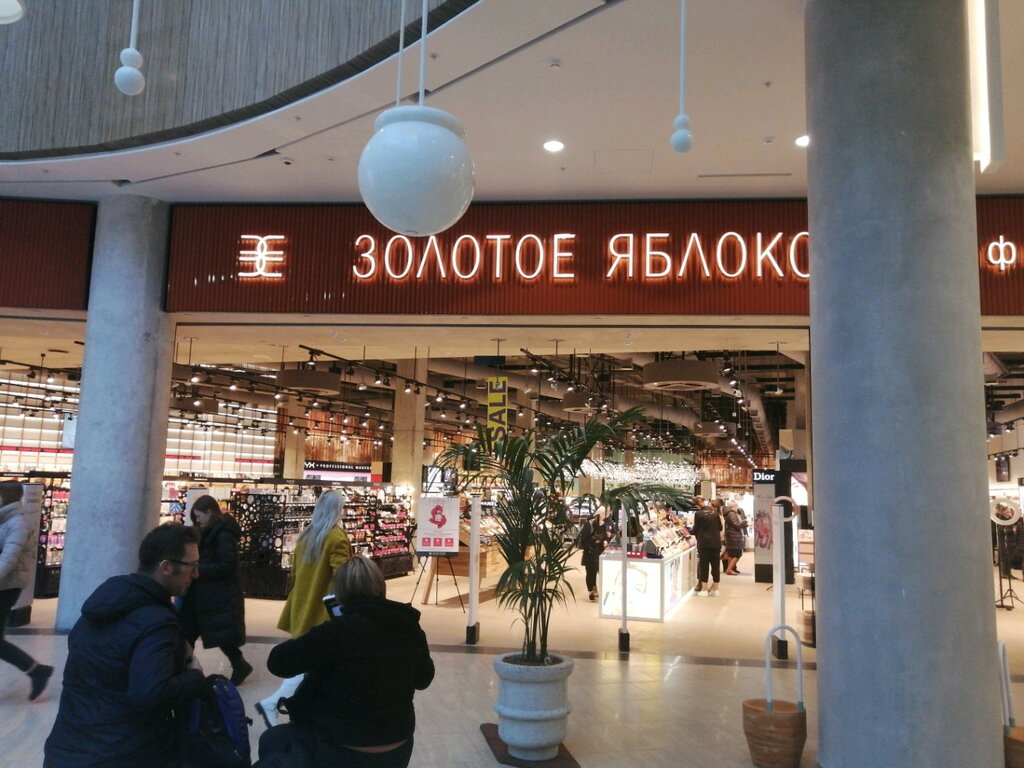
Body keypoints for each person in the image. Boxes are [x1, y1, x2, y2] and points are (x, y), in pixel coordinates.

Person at [43, 523, 207, 768]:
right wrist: (195, 676)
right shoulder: (157, 622)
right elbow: (151, 695)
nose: (196, 574)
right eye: (192, 566)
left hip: (65, 749)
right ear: (165, 567)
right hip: (120, 754)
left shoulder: (101, 605)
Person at [258, 555, 434, 768]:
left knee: (272, 740)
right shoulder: (409, 627)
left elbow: (278, 662)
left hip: (341, 747)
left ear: (340, 592)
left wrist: (316, 634)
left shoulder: (335, 632)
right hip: (398, 744)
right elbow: (424, 680)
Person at [256, 489, 352, 728]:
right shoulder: (336, 538)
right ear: (337, 510)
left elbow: (295, 573)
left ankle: (291, 707)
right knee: (312, 665)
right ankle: (273, 703)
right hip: (324, 613)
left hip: (302, 607)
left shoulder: (306, 536)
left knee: (307, 661)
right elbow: (344, 576)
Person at [179, 495, 252, 685]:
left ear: (210, 512)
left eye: (199, 516)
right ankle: (183, 667)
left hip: (216, 593)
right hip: (204, 592)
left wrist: (198, 569)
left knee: (214, 632)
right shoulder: (210, 531)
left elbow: (226, 565)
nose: (198, 521)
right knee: (192, 631)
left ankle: (239, 664)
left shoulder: (223, 534)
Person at [0, 481, 53, 700]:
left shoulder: (18, 523)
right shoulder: (5, 520)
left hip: (6, 587)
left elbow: (8, 559)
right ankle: (37, 671)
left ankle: (37, 671)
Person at [691, 495, 722, 597]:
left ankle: (704, 589)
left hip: (704, 543)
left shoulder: (698, 514)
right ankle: (715, 589)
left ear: (696, 505)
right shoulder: (714, 512)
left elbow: (695, 529)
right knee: (715, 565)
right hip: (716, 543)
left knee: (704, 566)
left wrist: (690, 531)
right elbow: (720, 527)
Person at [578, 507, 608, 601]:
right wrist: (589, 550)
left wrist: (605, 541)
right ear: (598, 515)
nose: (604, 516)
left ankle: (598, 589)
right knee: (591, 572)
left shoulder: (604, 524)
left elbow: (605, 536)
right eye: (602, 514)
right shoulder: (589, 524)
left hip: (599, 551)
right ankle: (591, 590)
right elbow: (584, 539)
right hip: (590, 552)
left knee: (600, 570)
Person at [723, 500, 749, 575]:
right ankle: (729, 569)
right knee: (737, 554)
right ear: (733, 506)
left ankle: (730, 569)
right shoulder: (732, 514)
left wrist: (744, 524)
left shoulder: (730, 513)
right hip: (734, 537)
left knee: (732, 554)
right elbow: (736, 524)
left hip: (732, 536)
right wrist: (745, 521)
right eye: (736, 505)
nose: (737, 507)